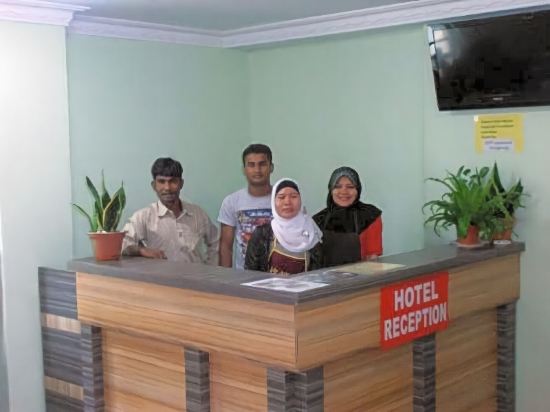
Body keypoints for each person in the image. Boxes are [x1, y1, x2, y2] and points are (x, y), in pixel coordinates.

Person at [122, 157, 219, 264]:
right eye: (161, 182)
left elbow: (216, 242)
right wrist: (141, 250)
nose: (167, 187)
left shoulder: (197, 214)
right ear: (154, 185)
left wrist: (210, 269)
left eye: (173, 181)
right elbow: (122, 243)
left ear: (181, 184)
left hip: (195, 274)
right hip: (158, 275)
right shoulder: (144, 216)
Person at [245, 178, 323, 275]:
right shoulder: (262, 234)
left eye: (293, 196)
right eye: (281, 197)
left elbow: (318, 274)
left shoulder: (312, 232)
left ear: (301, 200)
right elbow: (251, 274)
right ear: (273, 201)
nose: (287, 202)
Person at [218, 144, 274, 269]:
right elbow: (226, 247)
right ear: (244, 169)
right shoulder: (231, 202)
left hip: (279, 274)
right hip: (244, 275)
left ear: (271, 167)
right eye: (251, 165)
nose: (257, 170)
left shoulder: (285, 199)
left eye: (262, 164)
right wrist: (224, 277)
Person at [313, 166, 382, 267]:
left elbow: (372, 259)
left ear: (358, 189)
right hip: (324, 275)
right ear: (331, 190)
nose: (344, 192)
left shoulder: (370, 215)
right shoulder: (318, 220)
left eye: (350, 187)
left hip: (361, 274)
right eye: (337, 186)